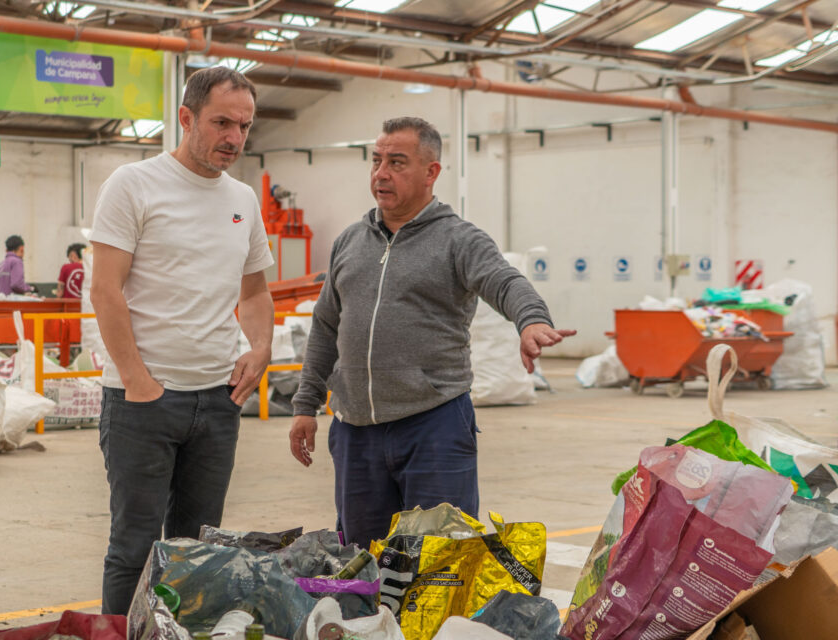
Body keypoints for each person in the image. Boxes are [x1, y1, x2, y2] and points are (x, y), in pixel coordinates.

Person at [287, 117, 576, 551]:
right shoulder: (350, 241)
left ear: (431, 172)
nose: (381, 173)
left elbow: (504, 281)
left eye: (397, 162)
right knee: (362, 559)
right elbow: (326, 327)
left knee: (441, 560)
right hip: (355, 431)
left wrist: (531, 319)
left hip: (433, 425)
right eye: (377, 160)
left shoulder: (458, 239)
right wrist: (305, 404)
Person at [89, 66, 275, 615]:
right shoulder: (133, 184)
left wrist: (260, 348)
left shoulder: (241, 197)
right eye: (221, 123)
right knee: (134, 546)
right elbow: (105, 291)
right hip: (144, 403)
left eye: (244, 126)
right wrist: (138, 382)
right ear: (187, 118)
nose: (234, 138)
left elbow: (256, 289)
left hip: (218, 401)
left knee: (196, 549)